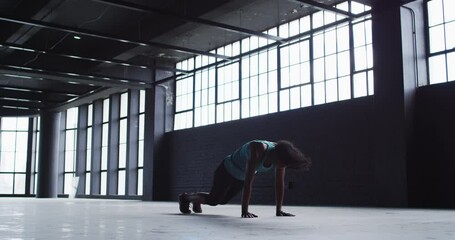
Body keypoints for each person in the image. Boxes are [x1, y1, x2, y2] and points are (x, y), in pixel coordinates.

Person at [178, 140, 311, 218]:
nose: (282, 167)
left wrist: (278, 210)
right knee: (214, 201)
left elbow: (279, 184)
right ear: (277, 156)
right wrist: (244, 211)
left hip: (239, 177)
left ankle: (197, 200)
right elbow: (249, 182)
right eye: (283, 164)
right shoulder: (258, 148)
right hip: (226, 170)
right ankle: (186, 197)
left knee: (222, 200)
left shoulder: (281, 158)